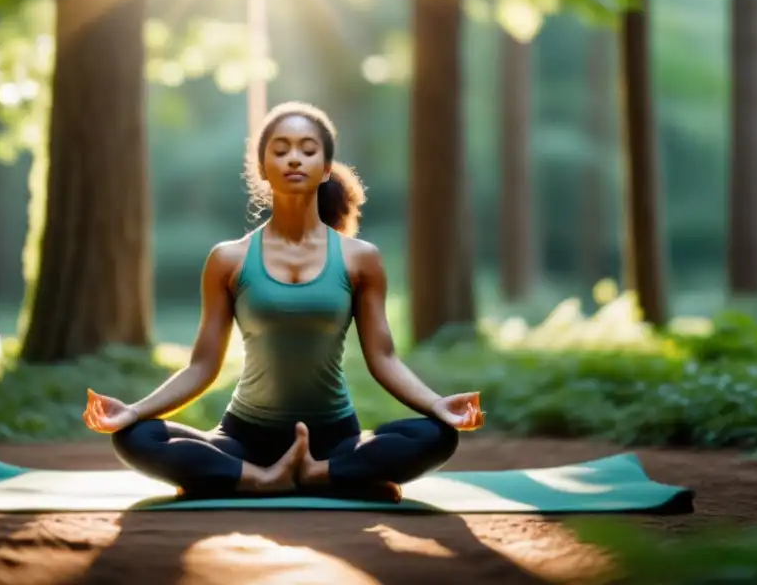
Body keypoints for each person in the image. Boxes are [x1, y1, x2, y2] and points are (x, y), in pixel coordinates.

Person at [82, 101, 485, 501]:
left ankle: (316, 472)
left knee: (435, 435)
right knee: (136, 436)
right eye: (281, 149)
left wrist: (437, 404)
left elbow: (384, 358)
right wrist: (134, 410)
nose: (294, 158)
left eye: (308, 150)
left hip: (333, 438)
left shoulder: (360, 258)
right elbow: (203, 366)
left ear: (326, 167)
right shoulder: (229, 259)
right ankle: (272, 477)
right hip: (245, 439)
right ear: (262, 168)